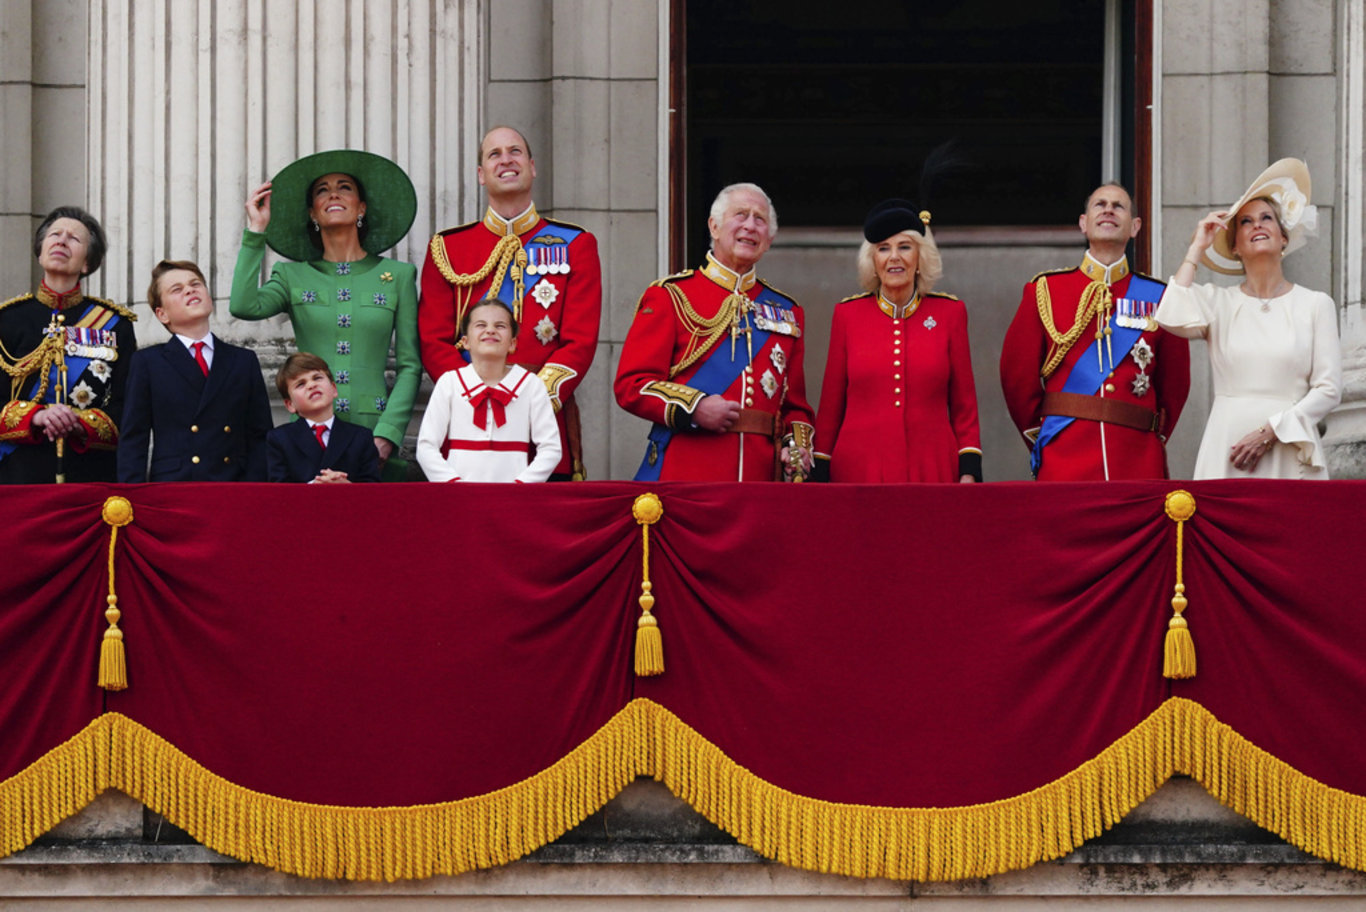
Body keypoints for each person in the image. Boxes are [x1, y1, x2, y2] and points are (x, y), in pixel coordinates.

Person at [419, 126, 601, 480]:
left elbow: (579, 342)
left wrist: (530, 401)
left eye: (515, 151)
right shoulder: (447, 248)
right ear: (481, 175)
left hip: (541, 420)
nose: (506, 160)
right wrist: (469, 394)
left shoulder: (576, 244)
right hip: (465, 424)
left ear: (532, 166)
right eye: (494, 154)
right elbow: (432, 340)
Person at [231, 149, 420, 481]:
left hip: (373, 429)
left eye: (345, 187)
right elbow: (244, 306)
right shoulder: (292, 277)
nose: (333, 193)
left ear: (361, 207)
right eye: (322, 190)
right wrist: (256, 231)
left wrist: (388, 433)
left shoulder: (398, 275)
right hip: (308, 436)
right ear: (312, 214)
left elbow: (409, 365)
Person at [615, 183, 814, 481]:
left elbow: (795, 407)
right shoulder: (671, 296)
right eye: (740, 215)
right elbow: (632, 385)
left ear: (769, 239)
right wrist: (694, 408)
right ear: (715, 226)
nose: (750, 225)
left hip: (760, 481)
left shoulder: (787, 311)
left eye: (760, 219)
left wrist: (796, 447)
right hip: (688, 474)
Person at [1156, 158, 1342, 479]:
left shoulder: (1315, 305)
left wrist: (1271, 430)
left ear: (1283, 238)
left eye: (1266, 218)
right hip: (1228, 447)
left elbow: (1329, 390)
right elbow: (1170, 315)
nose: (1257, 225)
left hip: (1289, 444)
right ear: (1236, 247)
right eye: (1245, 222)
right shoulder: (1219, 302)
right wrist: (1197, 248)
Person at [1000, 183, 1190, 480]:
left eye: (1119, 206)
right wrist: (1047, 438)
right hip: (1065, 458)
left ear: (1135, 227)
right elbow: (1018, 380)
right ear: (1083, 223)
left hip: (1137, 460)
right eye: (1100, 204)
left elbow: (1175, 386)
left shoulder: (1161, 298)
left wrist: (1150, 436)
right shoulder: (1045, 290)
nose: (1109, 210)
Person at [814, 199, 981, 483]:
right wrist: (819, 471)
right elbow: (830, 406)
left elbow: (964, 405)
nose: (894, 257)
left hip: (933, 468)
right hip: (858, 470)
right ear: (873, 260)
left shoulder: (949, 313)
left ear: (920, 258)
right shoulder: (847, 315)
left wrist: (969, 470)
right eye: (883, 248)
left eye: (904, 247)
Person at [0, 206, 137, 484]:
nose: (62, 241)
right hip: (18, 471)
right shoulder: (8, 319)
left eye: (74, 238)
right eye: (55, 234)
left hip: (89, 472)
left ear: (88, 263)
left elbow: (129, 407)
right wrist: (36, 417)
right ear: (41, 252)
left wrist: (78, 422)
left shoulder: (116, 325)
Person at [117, 260, 272, 482]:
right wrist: (132, 499)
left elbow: (260, 435)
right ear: (162, 314)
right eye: (177, 289)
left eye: (196, 284)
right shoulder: (147, 362)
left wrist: (254, 489)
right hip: (174, 487)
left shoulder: (243, 360)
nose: (190, 290)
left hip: (233, 485)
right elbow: (134, 437)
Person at [416, 298, 561, 483]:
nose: (490, 330)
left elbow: (551, 448)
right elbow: (426, 446)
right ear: (465, 341)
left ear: (513, 343)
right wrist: (452, 484)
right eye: (480, 325)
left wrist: (523, 485)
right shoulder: (450, 383)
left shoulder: (531, 385)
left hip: (513, 497)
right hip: (458, 496)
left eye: (500, 326)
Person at [267, 353, 381, 484]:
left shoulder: (361, 436)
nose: (311, 385)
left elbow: (372, 489)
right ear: (290, 404)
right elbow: (279, 491)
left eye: (317, 378)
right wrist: (314, 487)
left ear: (334, 389)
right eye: (300, 384)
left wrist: (348, 487)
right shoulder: (279, 439)